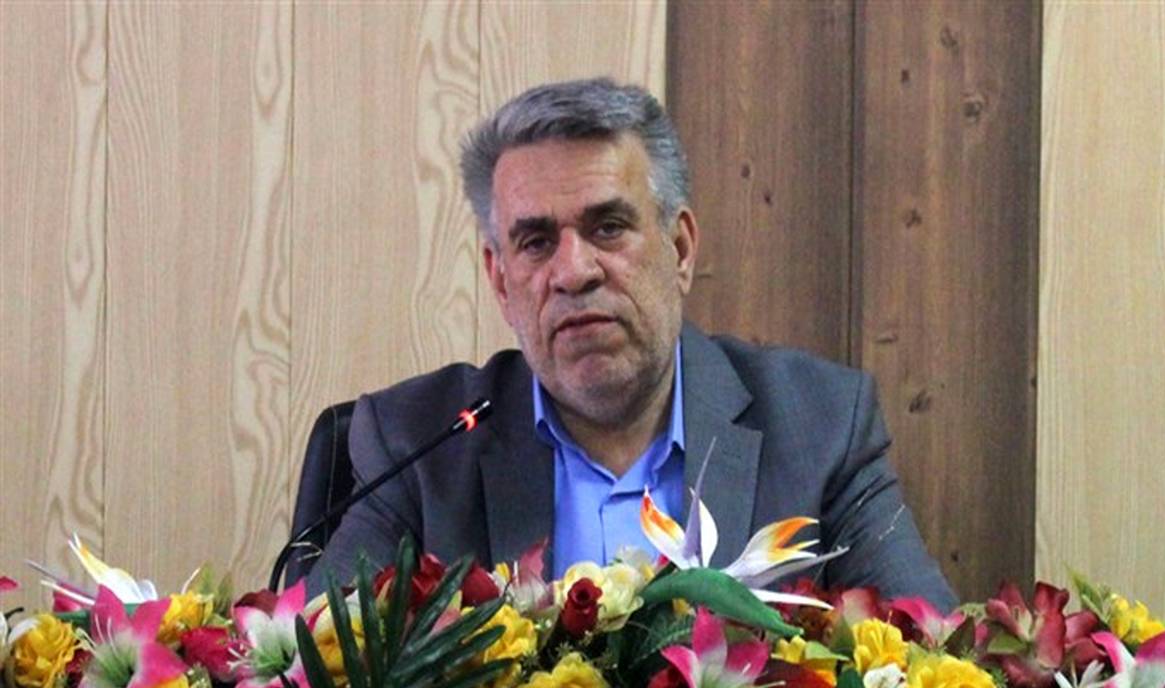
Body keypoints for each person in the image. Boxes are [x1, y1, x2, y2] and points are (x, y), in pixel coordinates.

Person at [306, 77, 956, 610]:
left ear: (680, 249)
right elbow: (310, 682)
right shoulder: (415, 444)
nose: (573, 271)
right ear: (500, 280)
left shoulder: (818, 428)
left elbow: (940, 670)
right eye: (536, 242)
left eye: (608, 227)